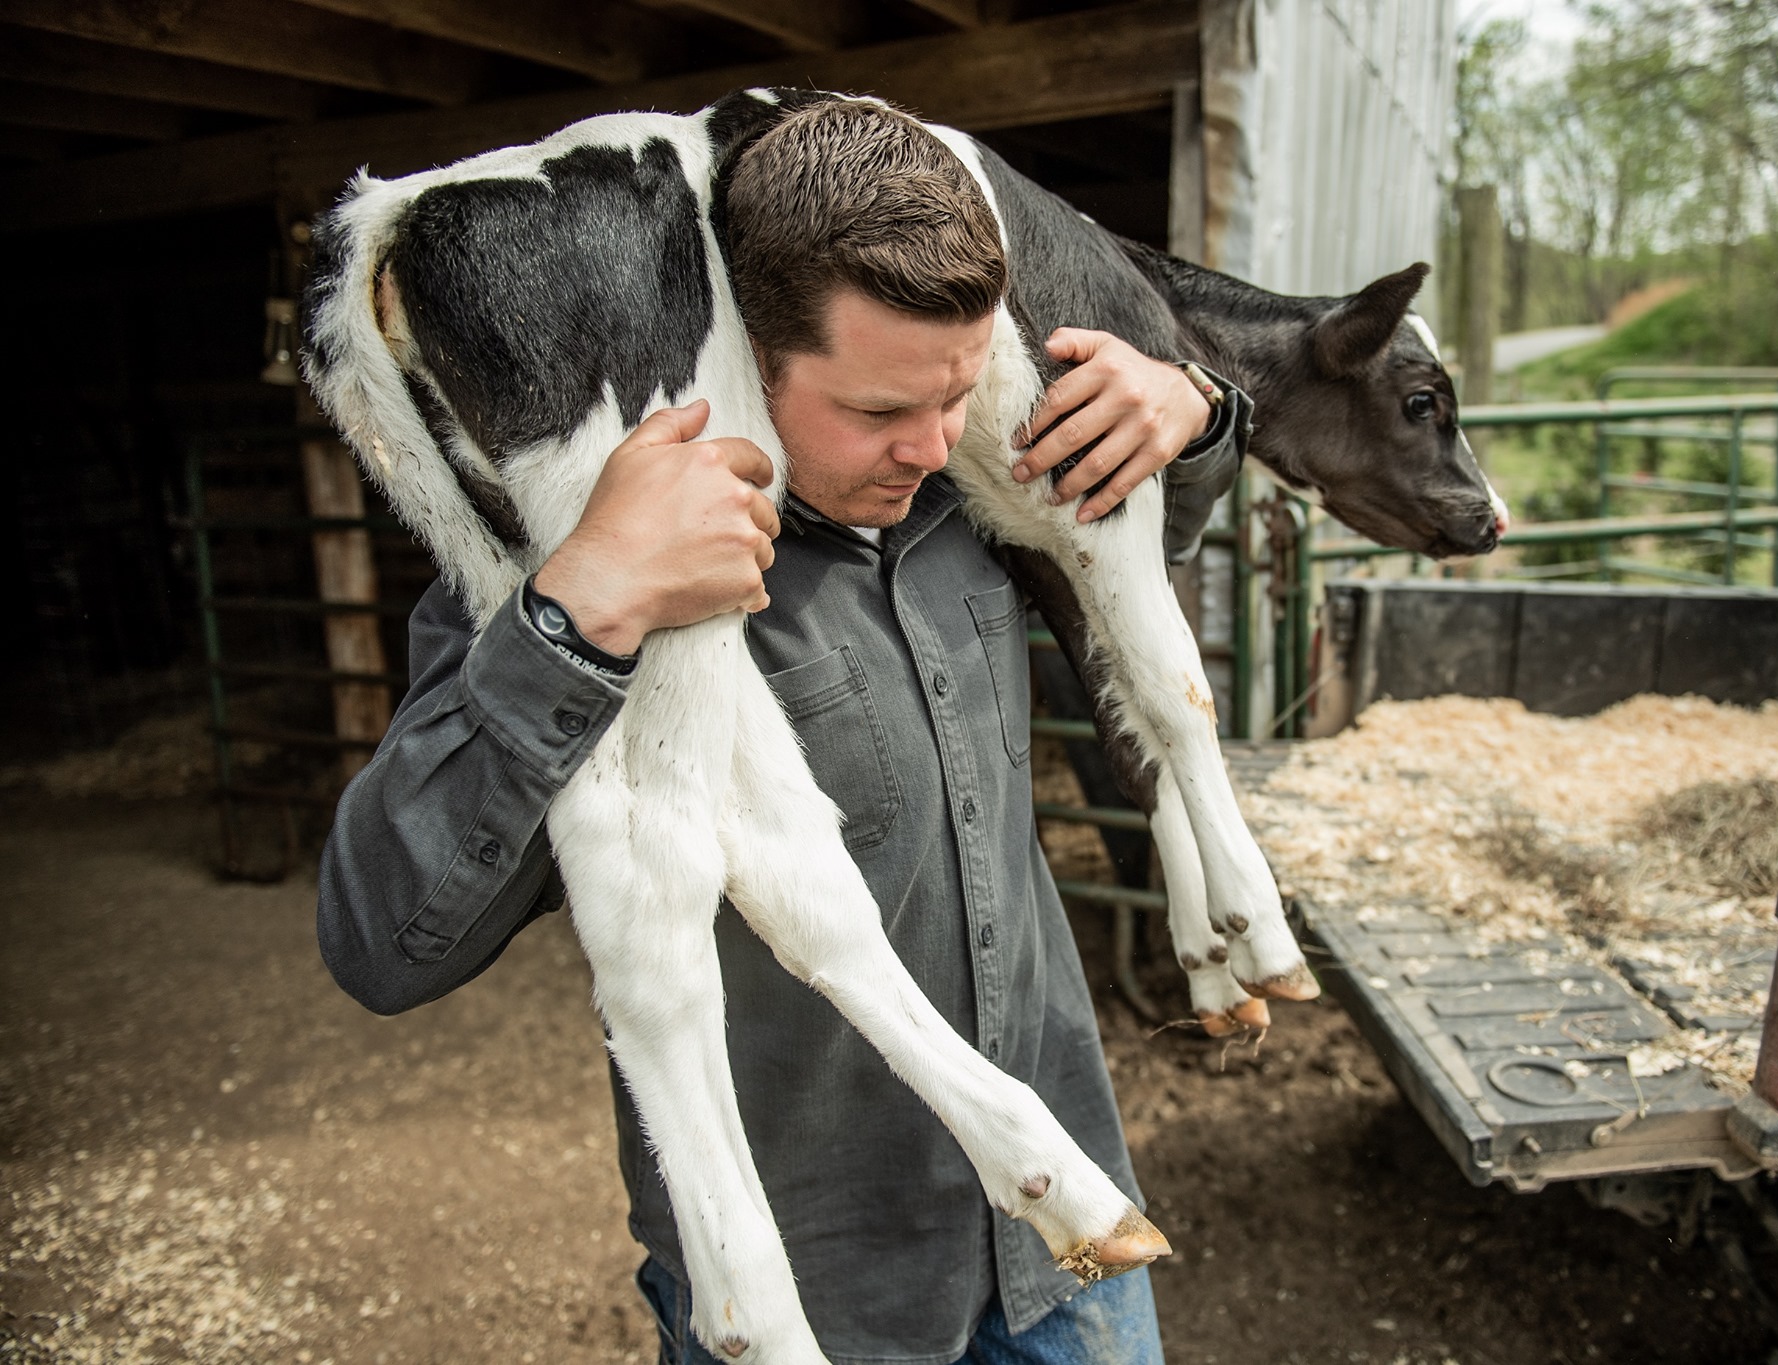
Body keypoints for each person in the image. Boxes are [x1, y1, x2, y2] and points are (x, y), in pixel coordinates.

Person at [316, 98, 1252, 1365]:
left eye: (959, 391)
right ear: (745, 356)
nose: (932, 446)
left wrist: (1191, 407)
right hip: (820, 1290)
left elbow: (1144, 534)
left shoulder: (969, 490)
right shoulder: (565, 568)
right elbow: (383, 946)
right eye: (877, 411)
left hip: (1069, 1241)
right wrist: (577, 612)